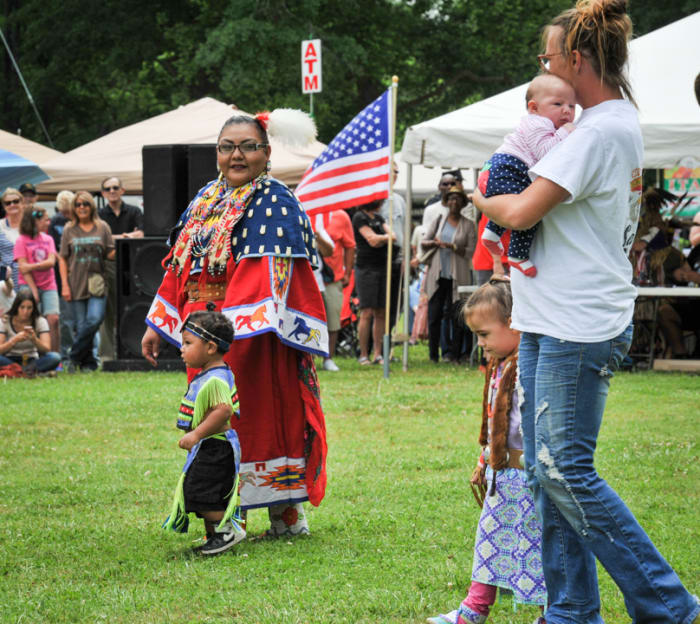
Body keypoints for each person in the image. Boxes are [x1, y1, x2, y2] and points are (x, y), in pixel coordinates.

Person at [473, 1, 700, 621]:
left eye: (547, 58)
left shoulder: (596, 132)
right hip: (554, 316)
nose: (542, 69)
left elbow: (517, 212)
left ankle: (669, 605)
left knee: (563, 471)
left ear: (575, 59)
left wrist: (477, 191)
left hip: (577, 323)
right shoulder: (604, 123)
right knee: (551, 473)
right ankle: (571, 611)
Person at [141, 111, 328, 538]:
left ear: (266, 152)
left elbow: (266, 274)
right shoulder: (205, 199)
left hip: (248, 336)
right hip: (203, 334)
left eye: (247, 146)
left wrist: (220, 333)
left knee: (259, 417)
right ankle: (223, 505)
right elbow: (179, 267)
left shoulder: (276, 200)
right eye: (227, 146)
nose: (237, 155)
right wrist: (159, 323)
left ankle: (279, 511)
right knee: (211, 419)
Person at [428, 278, 546, 624]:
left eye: (485, 334)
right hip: (502, 477)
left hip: (527, 478)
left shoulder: (528, 367)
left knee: (537, 549)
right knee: (489, 545)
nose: (480, 344)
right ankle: (473, 610)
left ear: (514, 324)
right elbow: (496, 422)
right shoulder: (500, 366)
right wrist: (484, 459)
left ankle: (552, 613)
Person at [162, 304, 246, 556]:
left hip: (216, 445)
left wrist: (196, 434)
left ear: (210, 348)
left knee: (198, 492)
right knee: (206, 491)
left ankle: (229, 530)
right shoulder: (211, 373)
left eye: (188, 343)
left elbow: (223, 410)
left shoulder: (215, 377)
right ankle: (216, 537)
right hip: (212, 445)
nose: (182, 348)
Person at [479, 73, 576, 278]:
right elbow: (544, 151)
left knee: (510, 201)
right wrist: (565, 132)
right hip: (510, 167)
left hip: (501, 168)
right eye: (558, 104)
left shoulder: (539, 123)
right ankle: (518, 255)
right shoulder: (540, 123)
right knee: (531, 210)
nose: (567, 111)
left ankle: (492, 232)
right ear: (534, 108)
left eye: (572, 106)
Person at [58, 191, 115, 372]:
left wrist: (125, 244)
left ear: (92, 206)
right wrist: (65, 285)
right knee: (82, 325)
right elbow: (62, 258)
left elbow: (110, 252)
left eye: (85, 204)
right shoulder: (69, 229)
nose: (81, 207)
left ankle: (73, 356)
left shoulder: (102, 227)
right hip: (75, 282)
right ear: (74, 208)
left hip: (98, 281)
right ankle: (87, 364)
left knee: (94, 320)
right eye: (78, 204)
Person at [422, 184, 476, 363]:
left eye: (458, 199)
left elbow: (470, 251)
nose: (454, 202)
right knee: (435, 315)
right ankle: (433, 355)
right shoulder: (439, 220)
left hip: (457, 276)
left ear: (462, 203)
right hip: (438, 275)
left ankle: (456, 354)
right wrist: (435, 243)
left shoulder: (468, 225)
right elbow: (424, 242)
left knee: (457, 316)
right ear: (447, 202)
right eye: (451, 199)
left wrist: (453, 247)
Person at [98, 176, 144, 361]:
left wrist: (115, 238)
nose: (112, 191)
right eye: (108, 189)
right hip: (107, 265)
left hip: (132, 266)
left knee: (134, 308)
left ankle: (135, 351)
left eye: (115, 187)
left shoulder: (134, 211)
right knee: (107, 312)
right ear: (102, 193)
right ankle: (107, 356)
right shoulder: (100, 214)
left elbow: (142, 233)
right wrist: (126, 237)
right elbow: (101, 239)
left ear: (122, 190)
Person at [352, 198, 397, 365]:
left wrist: (382, 238)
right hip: (366, 269)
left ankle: (378, 354)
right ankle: (364, 354)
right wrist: (385, 238)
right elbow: (371, 239)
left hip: (382, 267)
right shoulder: (359, 217)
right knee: (367, 312)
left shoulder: (378, 218)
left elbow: (394, 236)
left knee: (381, 312)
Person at [313, 210, 355, 371]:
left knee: (332, 319)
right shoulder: (304, 210)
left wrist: (347, 273)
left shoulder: (340, 215)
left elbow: (349, 246)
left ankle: (328, 358)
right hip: (308, 278)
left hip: (333, 277)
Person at [14, 206, 60, 352]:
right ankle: (36, 354)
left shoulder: (48, 239)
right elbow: (23, 269)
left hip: (49, 285)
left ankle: (55, 356)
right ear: (34, 221)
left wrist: (31, 266)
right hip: (27, 284)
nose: (48, 223)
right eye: (45, 220)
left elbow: (51, 262)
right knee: (32, 320)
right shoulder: (21, 240)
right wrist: (33, 291)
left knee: (53, 319)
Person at [0, 290, 61, 374]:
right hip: (10, 359)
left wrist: (34, 339)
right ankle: (27, 371)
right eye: (22, 307)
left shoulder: (40, 321)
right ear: (16, 307)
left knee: (55, 357)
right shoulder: (5, 320)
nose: (25, 312)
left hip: (31, 360)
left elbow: (47, 349)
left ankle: (18, 371)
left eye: (29, 308)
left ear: (33, 308)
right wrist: (14, 340)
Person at [48, 190, 76, 364]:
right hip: (61, 276)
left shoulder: (81, 221)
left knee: (85, 320)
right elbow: (55, 250)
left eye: (68, 212)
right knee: (65, 319)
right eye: (62, 211)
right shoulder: (56, 221)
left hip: (80, 273)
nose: (65, 215)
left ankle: (85, 354)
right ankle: (65, 356)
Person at [1, 188, 23, 286]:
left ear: (22, 202)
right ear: (3, 206)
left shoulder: (31, 224)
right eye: (8, 203)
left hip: (32, 276)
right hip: (8, 280)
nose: (12, 205)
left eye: (16, 201)